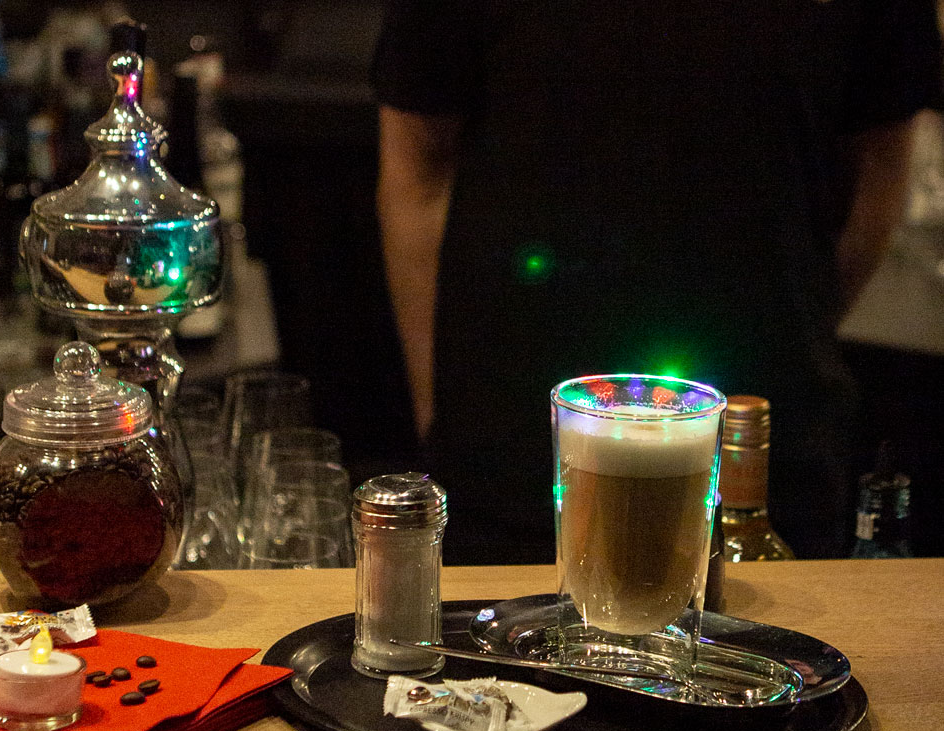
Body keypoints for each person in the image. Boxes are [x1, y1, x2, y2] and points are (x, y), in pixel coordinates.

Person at [373, 1, 942, 564]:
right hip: (511, 452)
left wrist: (802, 317)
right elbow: (418, 168)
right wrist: (438, 413)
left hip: (762, 456)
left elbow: (881, 166)